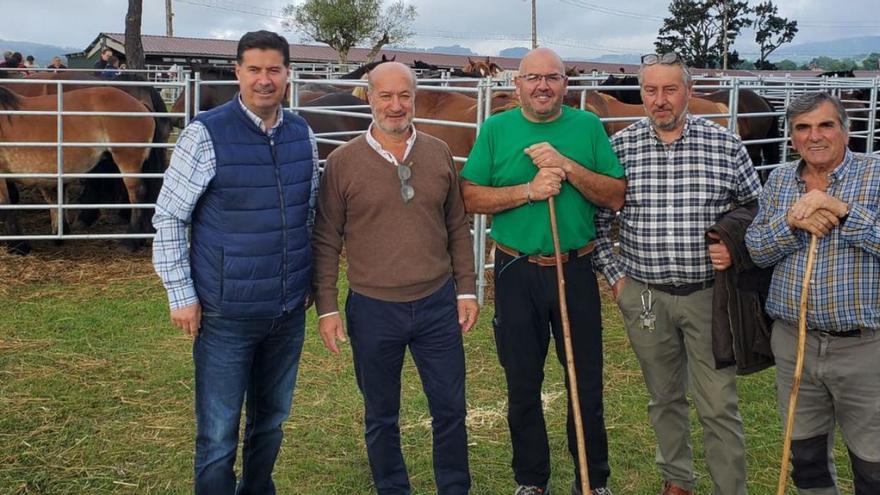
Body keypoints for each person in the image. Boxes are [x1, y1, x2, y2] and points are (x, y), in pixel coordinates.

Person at [151, 30, 319, 495]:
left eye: (274, 70)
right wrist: (181, 295)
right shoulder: (205, 134)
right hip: (226, 311)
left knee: (271, 422)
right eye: (254, 70)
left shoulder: (301, 134)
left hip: (286, 310)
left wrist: (308, 282)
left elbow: (308, 213)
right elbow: (168, 218)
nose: (264, 80)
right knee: (219, 431)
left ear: (288, 74)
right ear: (237, 73)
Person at [593, 52, 761, 495]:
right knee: (663, 396)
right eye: (651, 90)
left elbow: (755, 209)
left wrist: (732, 243)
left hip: (708, 294)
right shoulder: (620, 147)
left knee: (718, 403)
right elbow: (596, 218)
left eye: (670, 89)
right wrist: (616, 278)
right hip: (644, 294)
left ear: (688, 92)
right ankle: (677, 480)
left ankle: (730, 487)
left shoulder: (724, 145)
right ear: (642, 94)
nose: (660, 99)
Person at [461, 47, 625, 495]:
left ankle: (594, 480)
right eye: (532, 78)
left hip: (574, 269)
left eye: (552, 77)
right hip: (516, 270)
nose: (542, 86)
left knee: (584, 381)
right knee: (522, 381)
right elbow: (470, 196)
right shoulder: (496, 129)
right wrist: (529, 190)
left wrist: (567, 167)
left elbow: (614, 194)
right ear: (516, 84)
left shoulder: (587, 126)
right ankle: (531, 481)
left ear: (565, 84)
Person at [312, 61, 478, 495]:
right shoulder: (342, 162)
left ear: (415, 99)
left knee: (449, 407)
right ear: (368, 98)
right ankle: (392, 487)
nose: (395, 105)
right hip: (372, 307)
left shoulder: (439, 152)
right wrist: (327, 305)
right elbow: (326, 237)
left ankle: (455, 487)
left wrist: (466, 289)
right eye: (385, 95)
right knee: (381, 413)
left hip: (436, 303)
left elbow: (457, 225)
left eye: (404, 95)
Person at [745, 92, 880, 495]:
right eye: (803, 128)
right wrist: (791, 224)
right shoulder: (781, 180)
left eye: (825, 125)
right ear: (791, 137)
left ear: (846, 130)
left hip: (864, 346)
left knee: (873, 466)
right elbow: (757, 250)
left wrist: (842, 211)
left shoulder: (875, 175)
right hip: (795, 341)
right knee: (805, 458)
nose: (814, 136)